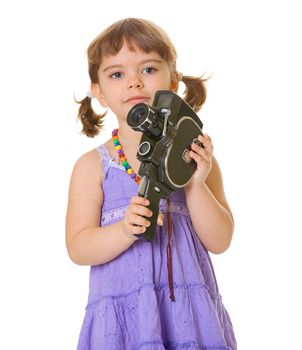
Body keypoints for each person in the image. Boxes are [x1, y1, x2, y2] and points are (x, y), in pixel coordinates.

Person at [66, 17, 237, 350]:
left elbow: (220, 240)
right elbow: (78, 246)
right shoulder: (93, 167)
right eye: (117, 74)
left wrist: (195, 185)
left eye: (147, 69)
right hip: (124, 322)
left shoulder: (198, 159)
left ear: (173, 81)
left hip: (188, 315)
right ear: (99, 93)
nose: (133, 82)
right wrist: (123, 231)